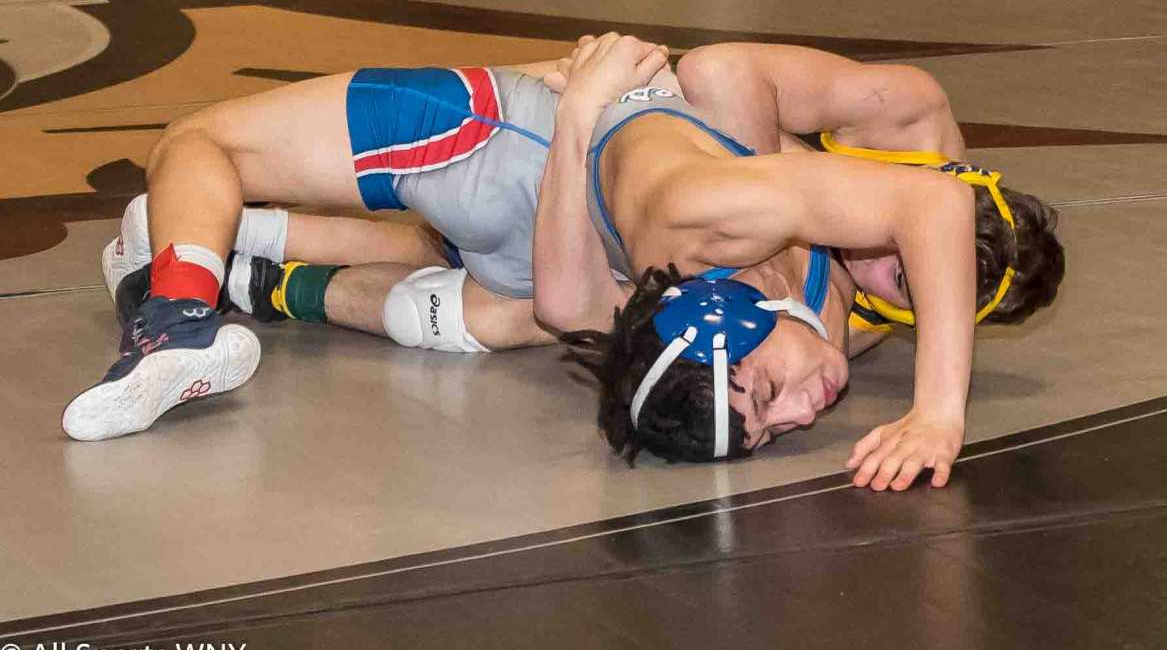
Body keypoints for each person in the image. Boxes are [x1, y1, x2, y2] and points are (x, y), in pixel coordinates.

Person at [69, 36, 1063, 492]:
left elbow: (558, 299)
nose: (804, 411)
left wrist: (590, 105)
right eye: (769, 401)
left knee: (498, 311)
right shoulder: (752, 211)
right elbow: (927, 203)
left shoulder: (790, 276)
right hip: (511, 145)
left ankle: (226, 271)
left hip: (544, 186)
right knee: (205, 147)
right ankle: (186, 302)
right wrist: (939, 411)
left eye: (766, 413)